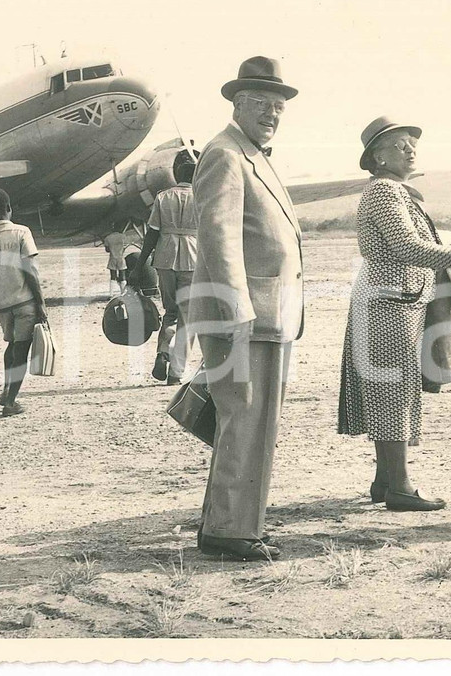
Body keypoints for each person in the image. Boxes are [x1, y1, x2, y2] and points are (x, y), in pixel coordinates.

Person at [338, 116, 451, 512]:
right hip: (389, 301)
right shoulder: (386, 191)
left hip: (396, 299)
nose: (410, 148)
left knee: (393, 389)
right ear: (376, 157)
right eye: (399, 143)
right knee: (392, 392)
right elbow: (409, 248)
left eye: (411, 142)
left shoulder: (395, 191)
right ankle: (400, 487)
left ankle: (386, 480)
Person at [187, 56, 303, 561]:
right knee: (245, 417)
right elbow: (218, 234)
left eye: (277, 106)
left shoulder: (251, 153)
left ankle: (231, 522)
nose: (271, 113)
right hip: (246, 314)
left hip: (266, 310)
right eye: (260, 103)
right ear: (237, 103)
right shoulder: (225, 154)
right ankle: (231, 531)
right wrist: (237, 308)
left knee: (252, 420)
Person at [0, 188, 48, 418]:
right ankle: (11, 402)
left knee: (12, 344)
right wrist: (41, 304)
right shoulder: (21, 232)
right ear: (9, 208)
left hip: (1, 304)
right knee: (22, 350)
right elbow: (30, 272)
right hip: (24, 300)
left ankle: (8, 389)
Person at [134, 152, 199, 385]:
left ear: (177, 175)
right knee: (187, 318)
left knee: (170, 312)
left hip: (165, 258)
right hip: (192, 259)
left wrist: (139, 266)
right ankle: (176, 373)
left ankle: (163, 352)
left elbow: (152, 233)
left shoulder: (163, 197)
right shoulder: (202, 197)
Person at [103, 228, 127, 295]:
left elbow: (107, 250)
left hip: (112, 258)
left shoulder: (108, 237)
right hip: (121, 258)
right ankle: (123, 293)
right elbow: (124, 247)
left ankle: (111, 293)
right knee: (122, 276)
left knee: (113, 277)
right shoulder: (123, 236)